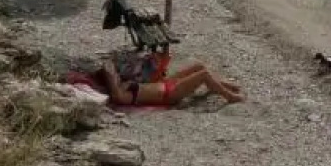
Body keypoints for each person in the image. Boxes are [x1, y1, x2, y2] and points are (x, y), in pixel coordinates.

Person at [94, 59, 244, 107]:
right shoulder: (121, 93)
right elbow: (116, 97)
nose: (116, 75)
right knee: (203, 75)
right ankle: (229, 95)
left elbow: (109, 66)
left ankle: (224, 85)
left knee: (199, 67)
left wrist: (112, 71)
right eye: (113, 76)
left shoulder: (124, 85)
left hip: (166, 83)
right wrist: (110, 77)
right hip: (169, 94)